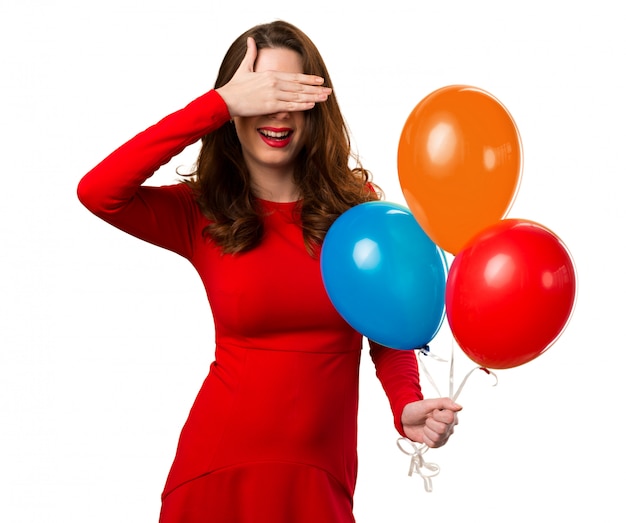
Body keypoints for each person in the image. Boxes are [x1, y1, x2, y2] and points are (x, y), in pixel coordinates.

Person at [77, 20, 462, 523]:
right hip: (216, 473)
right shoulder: (201, 211)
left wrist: (405, 404)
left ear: (316, 106)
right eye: (260, 94)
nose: (275, 111)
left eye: (292, 93)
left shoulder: (359, 211)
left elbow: (387, 330)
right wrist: (214, 105)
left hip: (319, 481)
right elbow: (98, 191)